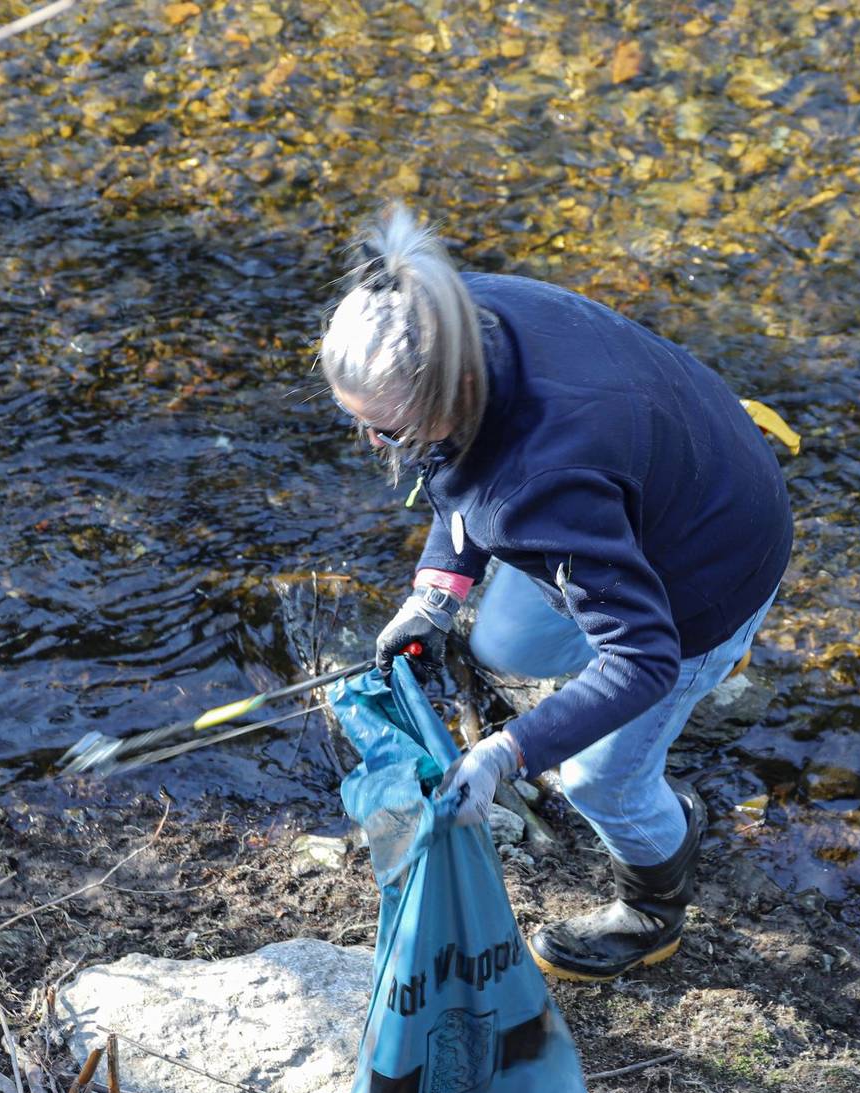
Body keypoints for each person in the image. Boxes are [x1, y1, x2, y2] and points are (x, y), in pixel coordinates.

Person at [320, 207, 792, 983]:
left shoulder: (543, 481)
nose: (375, 445)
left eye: (390, 432)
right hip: (679, 468)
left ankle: (653, 909)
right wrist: (435, 593)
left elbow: (643, 656)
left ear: (454, 391)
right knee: (502, 643)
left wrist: (507, 753)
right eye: (359, 423)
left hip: (711, 572)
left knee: (597, 780)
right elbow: (454, 474)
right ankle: (619, 700)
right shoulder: (443, 311)